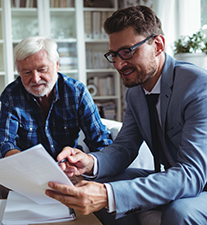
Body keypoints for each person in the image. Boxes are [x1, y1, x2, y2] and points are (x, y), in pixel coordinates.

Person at [45, 5, 207, 225]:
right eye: (114, 55)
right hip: (177, 178)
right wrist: (90, 162)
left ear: (158, 45)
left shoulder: (197, 85)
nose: (119, 64)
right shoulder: (135, 93)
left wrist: (108, 195)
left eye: (127, 52)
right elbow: (124, 148)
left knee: (180, 212)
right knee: (102, 181)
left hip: (199, 181)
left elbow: (192, 175)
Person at [0, 36, 112, 161]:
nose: (36, 79)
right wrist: (18, 158)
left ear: (57, 65)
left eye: (42, 70)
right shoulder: (11, 94)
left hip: (69, 166)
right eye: (27, 72)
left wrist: (86, 163)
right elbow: (3, 142)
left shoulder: (77, 92)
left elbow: (101, 141)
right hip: (28, 168)